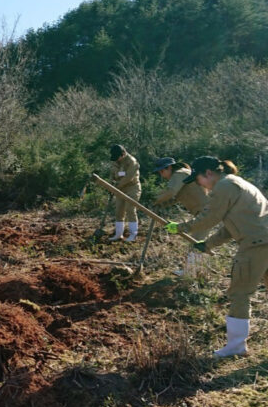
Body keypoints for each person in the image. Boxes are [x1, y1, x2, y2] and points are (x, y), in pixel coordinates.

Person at [165, 156, 268, 357]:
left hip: (255, 245)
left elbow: (210, 217)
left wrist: (180, 228)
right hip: (263, 240)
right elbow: (230, 228)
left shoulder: (224, 185)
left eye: (198, 180)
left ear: (209, 174)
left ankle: (236, 346)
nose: (199, 185)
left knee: (240, 293)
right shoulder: (237, 183)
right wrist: (207, 244)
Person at [152, 157, 210, 277]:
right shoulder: (180, 176)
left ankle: (190, 274)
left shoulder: (179, 174)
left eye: (162, 171)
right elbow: (174, 198)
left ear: (169, 167)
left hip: (206, 212)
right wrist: (160, 205)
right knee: (197, 241)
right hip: (203, 211)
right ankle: (194, 271)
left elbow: (171, 192)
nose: (161, 175)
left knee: (197, 242)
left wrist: (154, 199)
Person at [108, 144, 141, 242]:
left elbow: (128, 178)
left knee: (130, 209)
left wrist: (116, 187)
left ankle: (133, 235)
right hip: (119, 189)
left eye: (117, 157)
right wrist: (110, 184)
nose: (116, 160)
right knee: (119, 211)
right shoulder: (115, 161)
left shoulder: (132, 162)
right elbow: (112, 175)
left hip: (132, 187)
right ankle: (118, 234)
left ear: (123, 154)